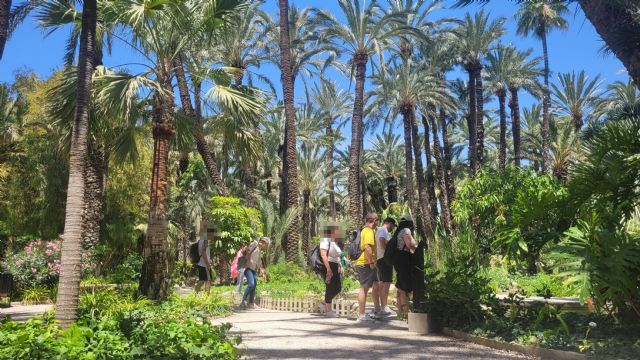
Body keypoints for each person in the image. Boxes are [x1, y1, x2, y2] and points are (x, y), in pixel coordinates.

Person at [355, 211, 380, 322]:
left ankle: (375, 311)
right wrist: (371, 263)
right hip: (365, 263)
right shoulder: (369, 231)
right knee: (364, 288)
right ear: (373, 220)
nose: (378, 222)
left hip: (363, 262)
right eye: (377, 220)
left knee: (372, 285)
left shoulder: (364, 230)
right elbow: (368, 248)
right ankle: (361, 315)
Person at [393, 214, 418, 318]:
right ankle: (406, 312)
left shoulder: (398, 231)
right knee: (403, 286)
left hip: (398, 259)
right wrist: (417, 248)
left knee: (400, 286)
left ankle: (400, 312)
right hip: (404, 259)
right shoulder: (406, 230)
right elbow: (409, 245)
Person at [319, 224, 342, 318]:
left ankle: (325, 302)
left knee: (338, 287)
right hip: (328, 264)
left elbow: (337, 255)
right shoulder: (325, 240)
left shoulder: (334, 241)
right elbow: (323, 255)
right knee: (330, 286)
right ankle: (328, 311)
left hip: (335, 265)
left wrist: (340, 265)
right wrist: (328, 269)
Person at [375, 217, 397, 317]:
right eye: (392, 225)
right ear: (388, 223)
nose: (392, 228)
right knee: (386, 283)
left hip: (381, 259)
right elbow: (381, 240)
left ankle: (382, 306)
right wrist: (387, 252)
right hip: (384, 259)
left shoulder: (380, 230)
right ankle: (384, 306)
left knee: (383, 283)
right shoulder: (383, 230)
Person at [240, 236, 270, 309]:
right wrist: (248, 259)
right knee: (251, 284)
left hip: (253, 270)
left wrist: (262, 272)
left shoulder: (259, 250)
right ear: (263, 242)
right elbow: (247, 250)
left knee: (254, 285)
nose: (266, 247)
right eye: (266, 245)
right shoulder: (255, 243)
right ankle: (243, 301)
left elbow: (259, 262)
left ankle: (251, 303)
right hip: (248, 268)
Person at [195, 226, 215, 295]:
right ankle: (207, 298)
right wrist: (208, 264)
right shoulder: (205, 240)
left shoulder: (201, 240)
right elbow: (203, 253)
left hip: (201, 264)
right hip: (204, 264)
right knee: (208, 281)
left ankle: (195, 295)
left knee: (202, 280)